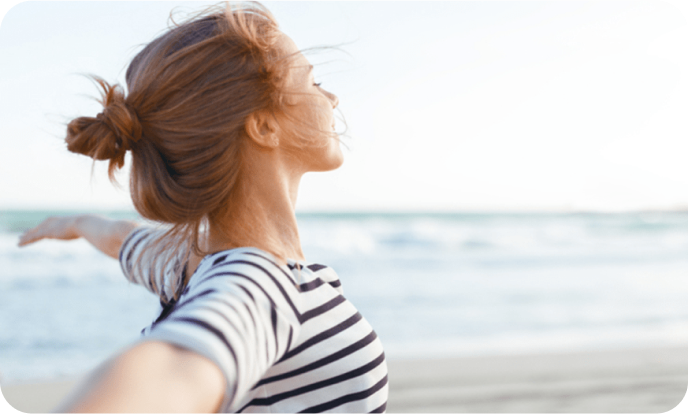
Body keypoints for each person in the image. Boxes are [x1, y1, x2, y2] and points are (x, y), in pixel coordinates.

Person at [17, 1, 388, 413]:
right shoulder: (260, 282)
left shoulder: (187, 265)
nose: (331, 97)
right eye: (313, 81)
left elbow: (123, 238)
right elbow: (170, 372)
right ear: (264, 125)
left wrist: (74, 223)